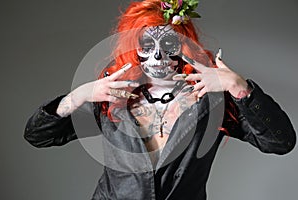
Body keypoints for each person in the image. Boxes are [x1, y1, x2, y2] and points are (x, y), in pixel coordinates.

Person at [24, 0, 296, 199]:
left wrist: (240, 88)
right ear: (134, 49)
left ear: (182, 44)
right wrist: (79, 95)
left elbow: (281, 142)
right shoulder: (111, 98)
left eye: (167, 45)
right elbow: (38, 136)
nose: (157, 56)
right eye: (146, 46)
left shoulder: (210, 101)